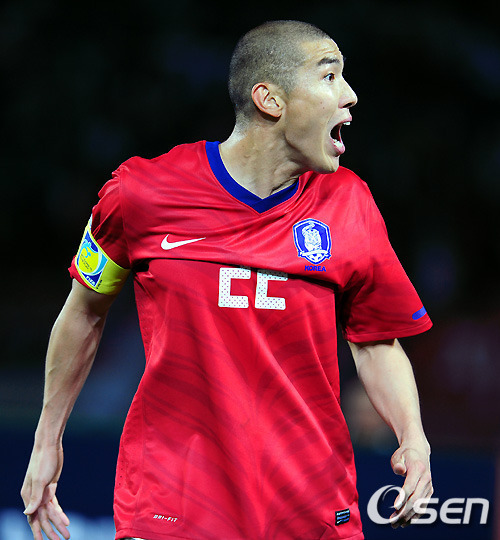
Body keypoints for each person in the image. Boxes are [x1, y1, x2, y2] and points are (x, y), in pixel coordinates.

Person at [21, 20, 433, 540]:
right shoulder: (141, 193)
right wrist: (47, 439)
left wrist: (413, 437)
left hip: (308, 501)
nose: (349, 96)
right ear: (270, 100)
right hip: (173, 499)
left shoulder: (349, 203)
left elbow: (375, 342)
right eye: (330, 76)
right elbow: (83, 312)